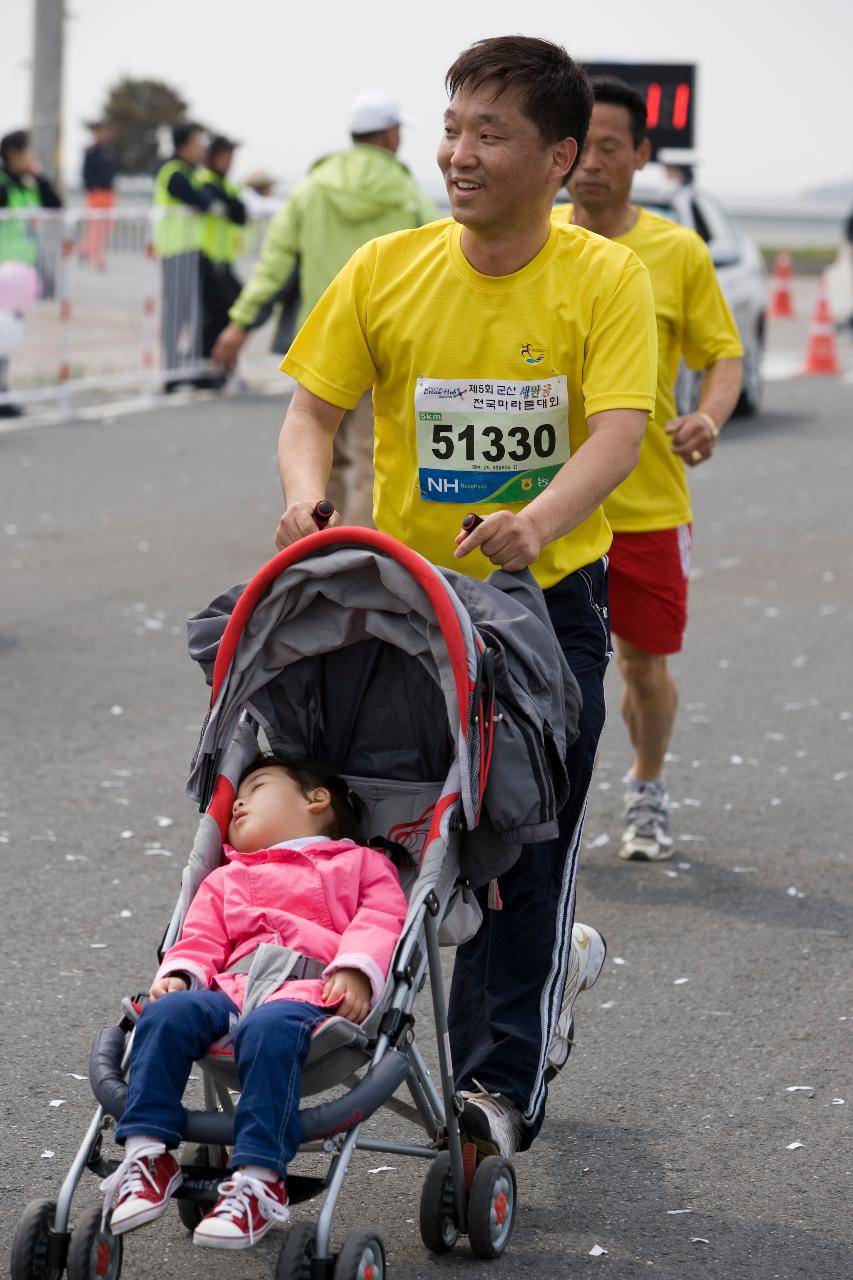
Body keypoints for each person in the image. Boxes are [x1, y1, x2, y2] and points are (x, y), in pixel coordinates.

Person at [272, 36, 658, 1158]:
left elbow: (618, 429)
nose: (458, 153)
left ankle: (492, 1090)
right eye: (453, 127)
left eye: (490, 133)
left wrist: (536, 522)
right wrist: (307, 503)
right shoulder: (387, 267)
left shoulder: (604, 275)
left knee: (518, 848)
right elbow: (312, 413)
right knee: (367, 839)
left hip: (545, 611)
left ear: (558, 158)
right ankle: (309, 1051)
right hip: (399, 610)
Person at [99, 755, 408, 1250]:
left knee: (270, 1026)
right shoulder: (226, 878)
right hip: (230, 990)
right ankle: (148, 1153)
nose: (237, 802)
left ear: (317, 799)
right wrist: (180, 975)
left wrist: (355, 968)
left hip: (308, 992)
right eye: (236, 795)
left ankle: (259, 1178)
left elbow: (381, 920)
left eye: (256, 786)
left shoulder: (360, 863)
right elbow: (200, 937)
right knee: (163, 1014)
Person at [560, 76, 743, 861]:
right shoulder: (538, 241)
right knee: (552, 673)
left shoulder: (675, 251)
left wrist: (706, 415)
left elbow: (721, 355)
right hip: (550, 508)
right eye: (583, 147)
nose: (592, 163)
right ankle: (539, 815)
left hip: (646, 507)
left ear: (640, 155)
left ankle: (645, 785)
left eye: (611, 147)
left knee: (641, 664)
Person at [212, 91, 439, 526]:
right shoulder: (407, 191)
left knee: (320, 457)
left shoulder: (311, 189)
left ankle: (324, 551)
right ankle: (369, 556)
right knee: (374, 458)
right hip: (390, 345)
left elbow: (274, 264)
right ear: (391, 134)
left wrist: (239, 324)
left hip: (323, 342)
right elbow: (443, 256)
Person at [0, 129, 62, 418]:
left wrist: (38, 177)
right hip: (2, 271)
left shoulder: (26, 186)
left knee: (7, 337)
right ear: (13, 154)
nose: (32, 158)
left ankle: (2, 390)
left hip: (17, 279)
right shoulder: (2, 185)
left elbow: (56, 205)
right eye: (28, 152)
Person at [152, 121, 218, 389]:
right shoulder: (174, 173)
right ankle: (169, 371)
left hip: (189, 252)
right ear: (183, 146)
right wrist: (206, 201)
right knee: (176, 313)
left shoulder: (190, 172)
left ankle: (185, 368)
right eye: (197, 142)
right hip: (174, 252)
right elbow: (204, 201)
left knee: (191, 311)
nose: (202, 148)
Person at [195, 135, 248, 367]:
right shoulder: (206, 180)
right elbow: (230, 207)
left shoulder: (225, 185)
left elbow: (240, 214)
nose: (229, 161)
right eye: (225, 156)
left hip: (223, 259)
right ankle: (207, 361)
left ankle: (216, 362)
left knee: (237, 309)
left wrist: (229, 204)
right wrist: (229, 205)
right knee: (223, 312)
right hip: (205, 257)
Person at [79, 120, 116, 269]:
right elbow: (86, 174)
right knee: (94, 226)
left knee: (105, 228)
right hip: (95, 194)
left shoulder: (109, 152)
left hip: (108, 194)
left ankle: (87, 250)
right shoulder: (91, 152)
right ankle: (95, 254)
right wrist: (92, 189)